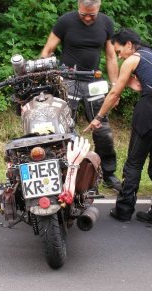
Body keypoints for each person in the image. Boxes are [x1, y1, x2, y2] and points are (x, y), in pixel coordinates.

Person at [84, 28, 152, 226]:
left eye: (119, 52)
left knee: (134, 164)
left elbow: (114, 93)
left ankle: (124, 210)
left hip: (148, 116)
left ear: (128, 44)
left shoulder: (133, 59)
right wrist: (129, 81)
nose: (119, 56)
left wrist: (98, 117)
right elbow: (146, 84)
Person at [41, 0, 121, 192]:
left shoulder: (106, 23)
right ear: (78, 6)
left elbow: (111, 57)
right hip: (68, 80)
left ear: (99, 8)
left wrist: (115, 87)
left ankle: (108, 174)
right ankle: (67, 172)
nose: (86, 18)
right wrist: (45, 78)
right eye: (83, 13)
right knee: (65, 127)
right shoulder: (65, 21)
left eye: (91, 15)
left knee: (102, 129)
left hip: (94, 81)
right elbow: (47, 50)